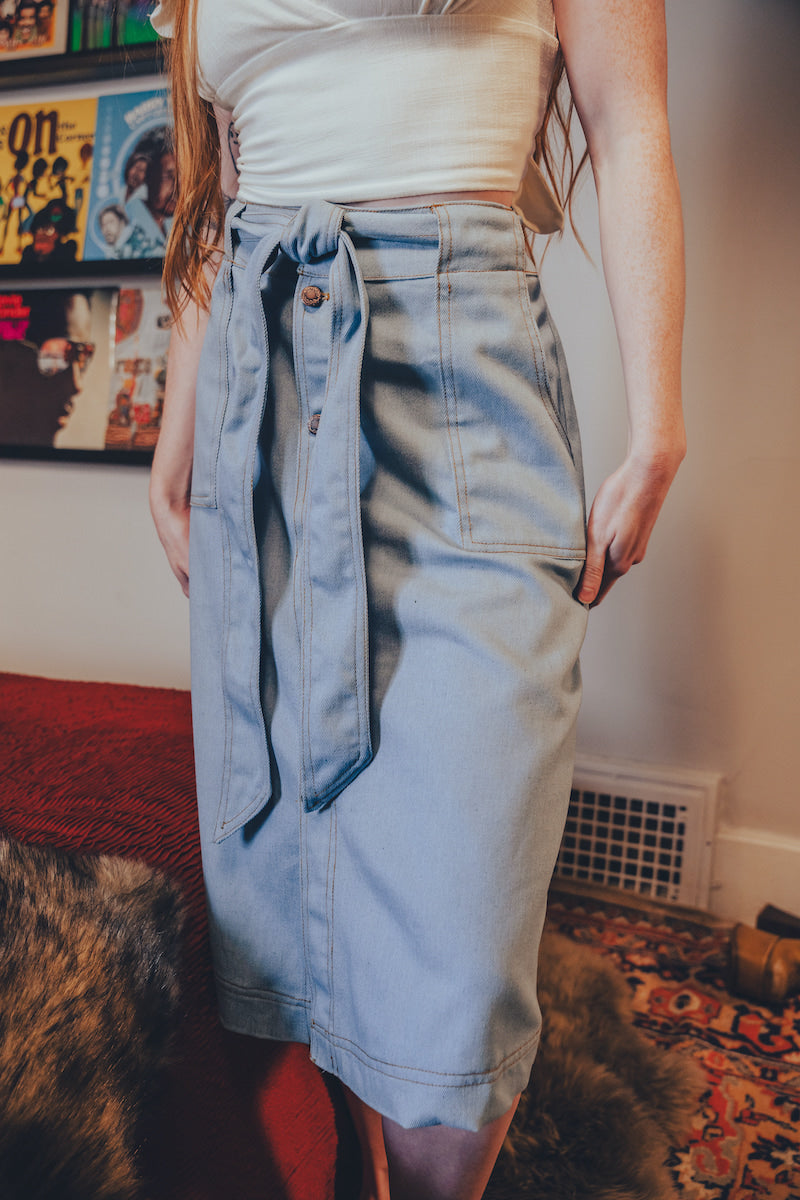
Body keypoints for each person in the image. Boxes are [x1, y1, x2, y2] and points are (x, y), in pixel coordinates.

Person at [148, 2, 686, 1198]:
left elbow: (627, 123)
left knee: (465, 917)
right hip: (258, 383)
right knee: (296, 872)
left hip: (458, 370)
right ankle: (356, 1169)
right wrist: (174, 442)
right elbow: (220, 195)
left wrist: (657, 426)